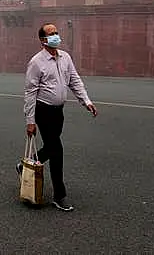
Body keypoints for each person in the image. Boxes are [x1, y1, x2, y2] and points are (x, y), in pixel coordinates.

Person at [18, 23, 98, 212]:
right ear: (43, 40)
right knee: (57, 150)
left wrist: (86, 101)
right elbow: (30, 92)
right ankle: (59, 195)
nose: (56, 36)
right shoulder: (36, 62)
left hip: (58, 111)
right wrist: (30, 121)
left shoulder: (65, 58)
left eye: (56, 32)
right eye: (51, 34)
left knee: (51, 147)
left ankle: (25, 165)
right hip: (43, 110)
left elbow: (74, 80)